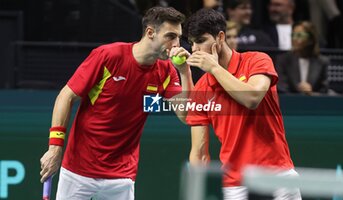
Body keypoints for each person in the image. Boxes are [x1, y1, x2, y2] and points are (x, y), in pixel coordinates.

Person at [39, 6, 193, 200]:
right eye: (170, 36)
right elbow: (65, 96)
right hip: (78, 170)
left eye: (179, 37)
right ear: (150, 33)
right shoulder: (109, 56)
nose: (177, 44)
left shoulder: (166, 71)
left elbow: (186, 115)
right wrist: (55, 147)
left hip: (121, 176)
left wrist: (184, 71)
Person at [184, 8, 301, 199]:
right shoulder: (201, 89)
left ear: (220, 37)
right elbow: (199, 153)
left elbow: (252, 98)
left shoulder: (257, 61)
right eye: (192, 43)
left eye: (201, 41)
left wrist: (214, 68)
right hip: (236, 186)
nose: (195, 49)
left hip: (279, 178)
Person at [275, 21, 329, 95]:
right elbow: (281, 88)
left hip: (315, 104)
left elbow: (325, 91)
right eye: (293, 35)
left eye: (299, 35)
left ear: (310, 40)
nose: (294, 39)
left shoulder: (322, 61)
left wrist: (311, 93)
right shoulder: (283, 60)